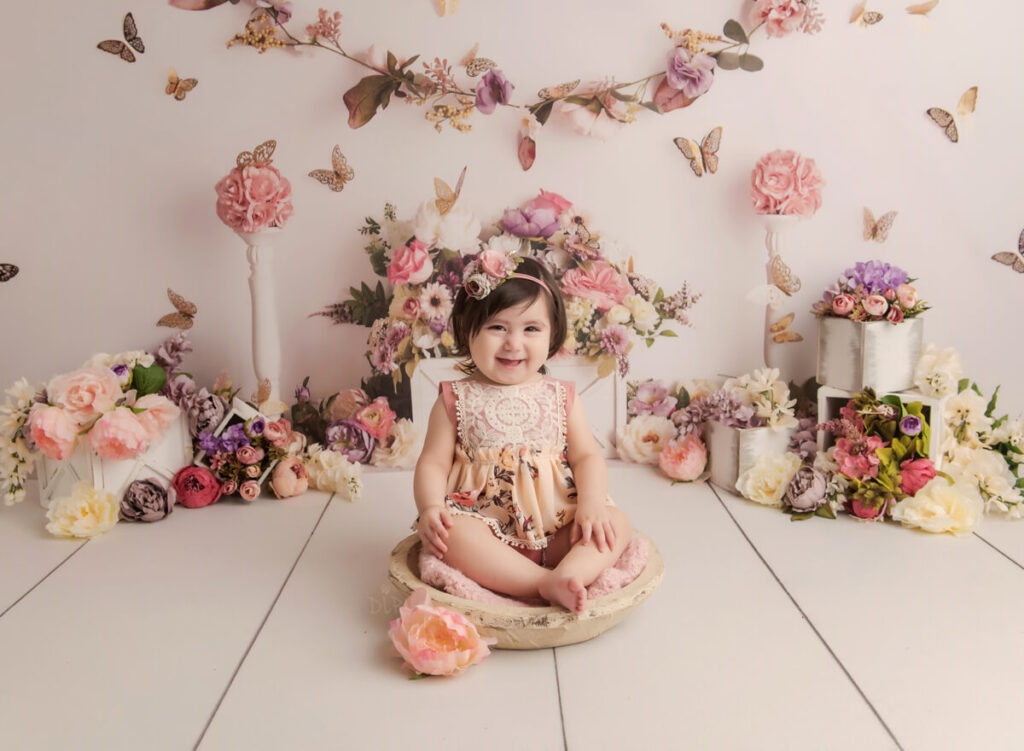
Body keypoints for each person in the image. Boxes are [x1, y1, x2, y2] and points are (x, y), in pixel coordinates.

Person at [413, 253, 631, 614]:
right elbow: (433, 463)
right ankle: (541, 583)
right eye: (498, 328)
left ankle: (570, 571)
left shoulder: (560, 396)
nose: (514, 343)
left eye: (531, 329)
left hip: (559, 528)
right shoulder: (456, 398)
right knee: (452, 535)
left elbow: (587, 456)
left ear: (552, 334)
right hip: (487, 532)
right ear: (468, 331)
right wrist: (431, 507)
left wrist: (592, 504)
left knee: (616, 524)